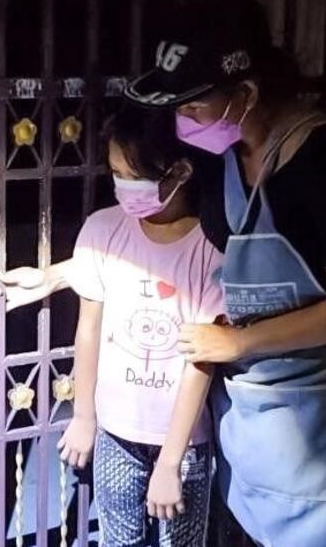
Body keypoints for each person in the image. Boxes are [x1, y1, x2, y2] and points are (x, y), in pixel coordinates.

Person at [0, 0, 326, 547]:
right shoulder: (222, 152)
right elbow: (157, 247)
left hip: (311, 412)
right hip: (242, 410)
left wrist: (237, 345)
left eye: (192, 106)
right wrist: (55, 276)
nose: (182, 120)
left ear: (245, 94)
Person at [53, 107, 224, 546]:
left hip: (184, 444)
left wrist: (170, 463)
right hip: (115, 433)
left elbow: (200, 357)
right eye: (115, 174)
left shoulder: (210, 247)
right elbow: (88, 329)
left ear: (180, 172)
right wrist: (84, 416)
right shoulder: (102, 229)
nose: (122, 188)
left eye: (133, 176)